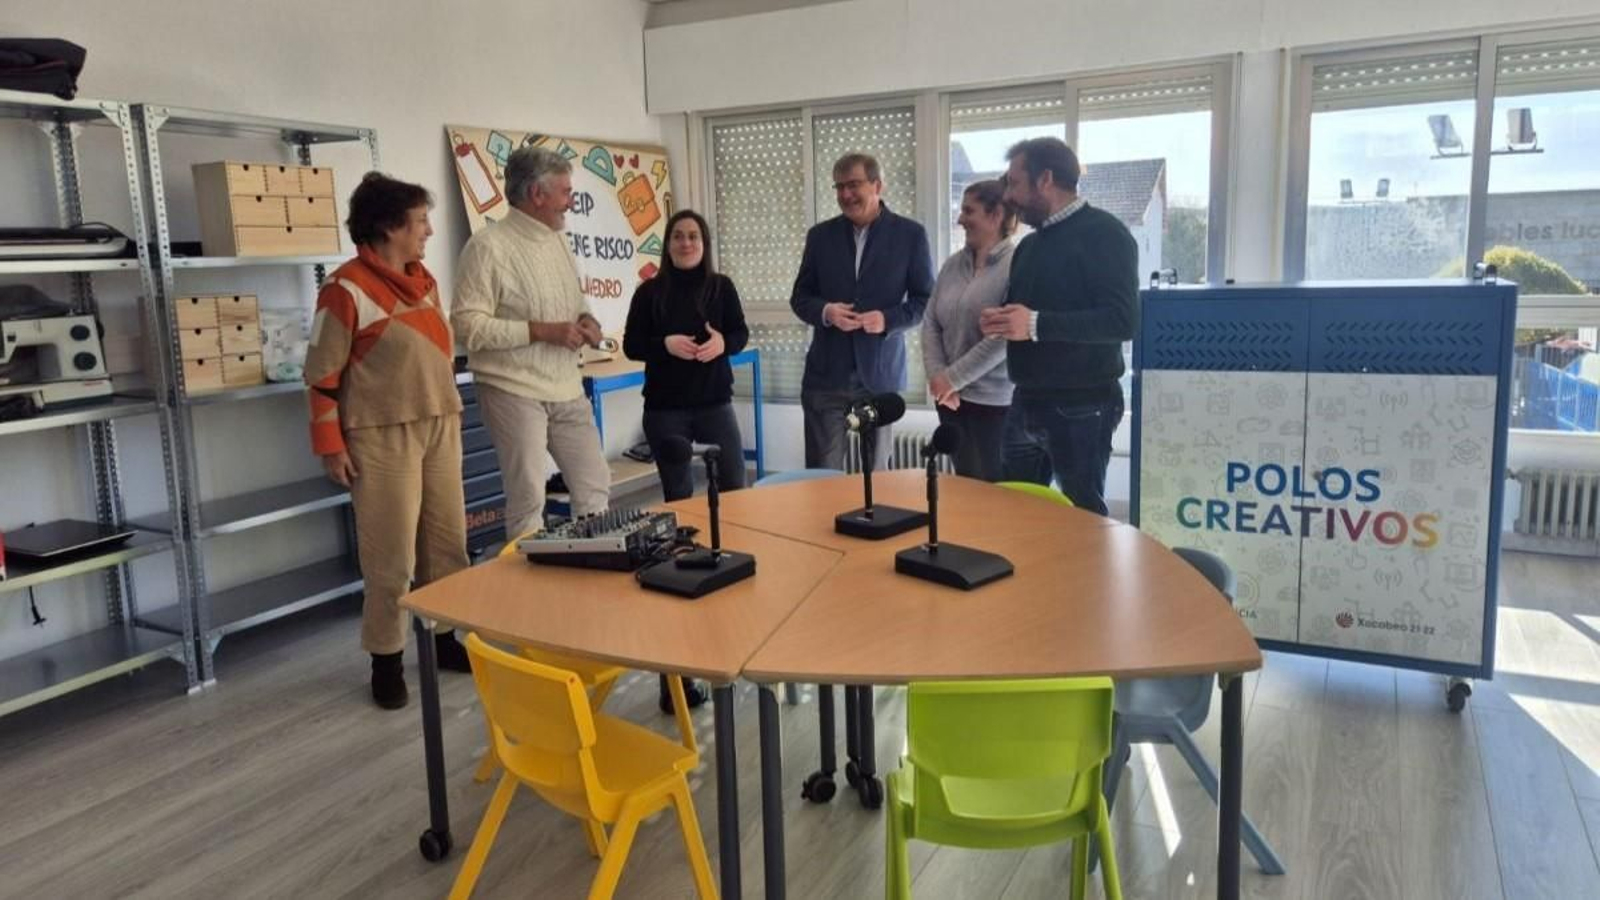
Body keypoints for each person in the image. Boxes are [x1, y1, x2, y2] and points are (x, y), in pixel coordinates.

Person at [304, 172, 471, 710]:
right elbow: (322, 375)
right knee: (391, 555)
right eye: (420, 221)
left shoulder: (424, 281)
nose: (427, 231)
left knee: (448, 542)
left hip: (440, 423)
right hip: (381, 435)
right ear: (387, 226)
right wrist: (331, 444)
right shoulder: (345, 288)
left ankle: (445, 638)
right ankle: (386, 659)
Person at [623, 208, 749, 712]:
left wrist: (723, 343)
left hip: (716, 405)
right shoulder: (649, 293)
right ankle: (681, 611)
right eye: (678, 236)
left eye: (694, 236)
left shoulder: (721, 287)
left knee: (737, 498)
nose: (686, 242)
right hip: (667, 412)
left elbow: (739, 334)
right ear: (668, 244)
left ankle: (734, 596)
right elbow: (633, 346)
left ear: (705, 242)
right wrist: (664, 345)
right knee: (678, 509)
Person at [452, 146, 610, 541]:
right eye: (565, 193)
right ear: (537, 195)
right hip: (512, 389)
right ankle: (529, 598)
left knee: (595, 485)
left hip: (565, 386)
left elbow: (575, 302)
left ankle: (593, 571)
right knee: (527, 499)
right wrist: (539, 331)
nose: (570, 203)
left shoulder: (558, 239)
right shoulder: (487, 247)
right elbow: (466, 326)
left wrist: (587, 320)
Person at [980, 137, 1138, 516]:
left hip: (1083, 405)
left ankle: (1087, 579)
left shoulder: (1107, 234)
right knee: (1016, 513)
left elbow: (1122, 320)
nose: (1008, 196)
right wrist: (1002, 320)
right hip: (1026, 400)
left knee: (1082, 521)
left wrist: (1034, 324)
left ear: (1045, 179)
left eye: (1015, 183)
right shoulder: (1029, 247)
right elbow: (1030, 311)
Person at [790, 152, 934, 470]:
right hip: (826, 377)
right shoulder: (820, 236)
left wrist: (887, 319)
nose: (845, 195)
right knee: (822, 474)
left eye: (853, 185)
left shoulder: (910, 235)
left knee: (877, 475)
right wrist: (826, 311)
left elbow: (925, 300)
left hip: (879, 376)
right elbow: (800, 297)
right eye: (839, 187)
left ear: (877, 185)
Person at [921, 179, 1017, 480]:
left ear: (996, 215)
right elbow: (930, 323)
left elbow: (1003, 337)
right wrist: (939, 380)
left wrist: (950, 379)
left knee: (995, 500)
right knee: (966, 492)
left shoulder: (1017, 265)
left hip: (994, 406)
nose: (960, 219)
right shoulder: (952, 265)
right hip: (950, 401)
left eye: (968, 210)